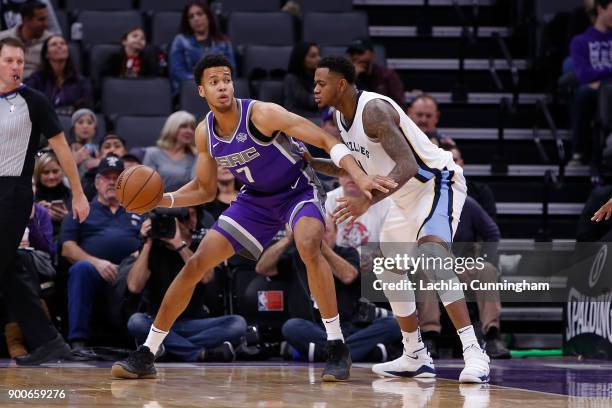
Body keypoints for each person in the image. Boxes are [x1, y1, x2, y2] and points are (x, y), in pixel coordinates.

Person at [111, 54, 393, 382]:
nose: (222, 86)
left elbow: (326, 139)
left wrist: (359, 177)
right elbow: (204, 189)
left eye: (226, 79)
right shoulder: (205, 134)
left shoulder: (262, 113)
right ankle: (148, 352)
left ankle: (336, 346)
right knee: (196, 264)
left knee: (307, 245)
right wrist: (162, 198)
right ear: (202, 91)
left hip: (296, 189)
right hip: (255, 201)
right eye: (214, 82)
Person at [311, 56, 490, 383]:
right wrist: (310, 163)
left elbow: (407, 165)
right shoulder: (341, 116)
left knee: (433, 256)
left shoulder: (374, 111)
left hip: (436, 183)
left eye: (321, 83)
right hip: (402, 194)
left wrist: (367, 201)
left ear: (340, 84)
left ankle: (474, 351)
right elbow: (357, 168)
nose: (315, 89)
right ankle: (414, 355)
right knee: (387, 268)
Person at [0, 36, 88, 365]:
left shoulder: (33, 100)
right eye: (9, 60)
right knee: (10, 269)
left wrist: (77, 191)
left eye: (20, 61)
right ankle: (48, 341)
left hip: (13, 193)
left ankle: (48, 340)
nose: (16, 67)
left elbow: (62, 147)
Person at [125, 206, 247, 362]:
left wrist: (179, 245)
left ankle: (162, 347)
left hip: (193, 323)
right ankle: (198, 353)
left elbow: (206, 277)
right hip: (158, 321)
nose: (192, 221)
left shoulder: (199, 245)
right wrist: (147, 243)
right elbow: (134, 286)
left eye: (194, 215)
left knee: (237, 324)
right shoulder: (153, 246)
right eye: (186, 217)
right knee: (136, 322)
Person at [60, 156, 141, 349]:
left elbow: (150, 241)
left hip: (131, 270)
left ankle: (143, 339)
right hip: (94, 270)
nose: (112, 182)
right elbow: (67, 247)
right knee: (81, 268)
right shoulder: (81, 208)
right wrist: (97, 263)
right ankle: (78, 341)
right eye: (107, 177)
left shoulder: (139, 209)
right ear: (97, 183)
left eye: (117, 177)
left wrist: (134, 260)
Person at [416, 196, 510, 359]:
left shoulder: (467, 204)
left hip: (463, 265)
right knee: (425, 270)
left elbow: (492, 233)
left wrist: (484, 258)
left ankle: (492, 334)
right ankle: (430, 335)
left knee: (487, 270)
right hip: (433, 264)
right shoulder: (421, 205)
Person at [569, 0, 612, 165]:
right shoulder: (580, 42)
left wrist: (600, 78)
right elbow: (582, 74)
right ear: (601, 9)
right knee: (584, 92)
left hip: (603, 86)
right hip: (595, 90)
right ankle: (580, 152)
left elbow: (591, 74)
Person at [169, 1, 236, 95]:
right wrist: (204, 82)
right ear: (188, 22)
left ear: (208, 16)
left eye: (199, 14)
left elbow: (231, 71)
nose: (196, 19)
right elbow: (177, 72)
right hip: (191, 91)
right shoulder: (180, 41)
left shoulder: (223, 42)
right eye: (191, 16)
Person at [24, 34, 92, 114]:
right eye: (54, 44)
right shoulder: (37, 79)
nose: (59, 46)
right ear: (46, 54)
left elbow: (85, 108)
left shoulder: (80, 81)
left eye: (62, 43)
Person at [143, 111, 197, 193]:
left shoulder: (194, 156)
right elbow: (147, 185)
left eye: (192, 127)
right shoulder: (152, 153)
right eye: (184, 126)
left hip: (184, 203)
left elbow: (195, 184)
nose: (189, 131)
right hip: (157, 202)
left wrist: (200, 154)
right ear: (172, 128)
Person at [346, 38, 405, 108]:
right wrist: (353, 78)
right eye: (352, 54)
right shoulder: (346, 78)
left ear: (372, 54)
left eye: (360, 52)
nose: (355, 57)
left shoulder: (387, 75)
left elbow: (399, 105)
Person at [443, 144, 496, 222]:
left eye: (454, 160)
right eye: (446, 161)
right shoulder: (431, 192)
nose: (451, 165)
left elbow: (489, 226)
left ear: (462, 163)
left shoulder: (481, 191)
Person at [0, 0, 50, 77]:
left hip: (36, 87)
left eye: (46, 19)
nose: (46, 24)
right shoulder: (2, 38)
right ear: (26, 20)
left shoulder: (51, 42)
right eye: (41, 19)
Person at [33, 149, 70, 237]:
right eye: (46, 172)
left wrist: (68, 218)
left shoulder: (73, 197)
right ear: (38, 174)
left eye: (55, 171)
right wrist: (37, 215)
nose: (51, 177)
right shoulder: (31, 198)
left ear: (62, 171)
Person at [81, 134, 128, 201]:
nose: (112, 149)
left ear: (125, 152)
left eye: (117, 146)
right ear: (99, 155)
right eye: (107, 147)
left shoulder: (136, 172)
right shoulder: (89, 176)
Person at [283, 42, 320, 117]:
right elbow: (309, 102)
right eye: (313, 56)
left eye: (318, 55)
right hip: (299, 119)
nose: (319, 59)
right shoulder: (291, 78)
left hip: (316, 117)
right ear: (301, 58)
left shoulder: (315, 76)